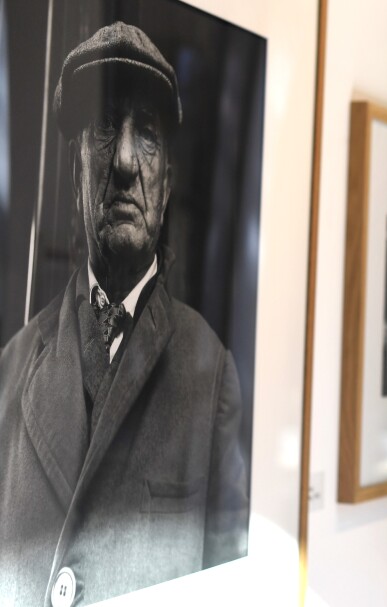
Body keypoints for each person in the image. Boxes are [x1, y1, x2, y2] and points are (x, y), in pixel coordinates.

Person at [0, 22, 248, 606]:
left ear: (167, 187)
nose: (128, 160)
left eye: (150, 136)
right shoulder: (10, 372)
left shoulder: (209, 373)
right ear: (76, 171)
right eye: (107, 128)